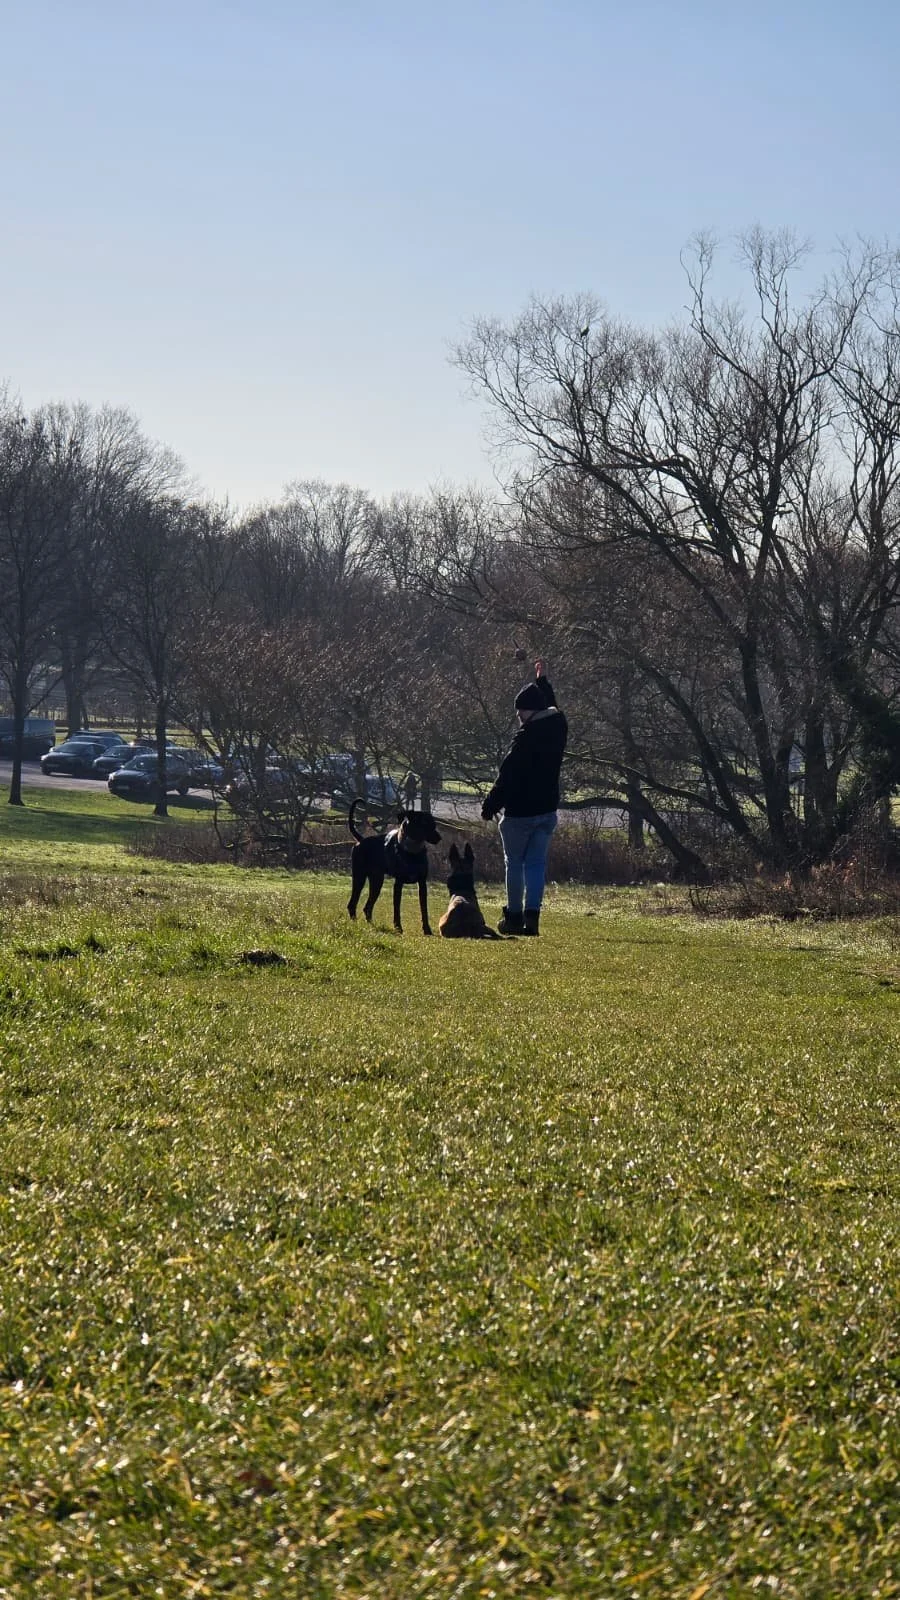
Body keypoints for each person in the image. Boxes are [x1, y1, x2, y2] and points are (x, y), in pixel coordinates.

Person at [481, 659, 567, 936]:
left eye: (521, 712)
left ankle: (514, 916)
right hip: (546, 810)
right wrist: (542, 682)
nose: (519, 717)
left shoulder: (525, 740)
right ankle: (533, 917)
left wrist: (489, 806)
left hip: (519, 813)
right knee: (536, 864)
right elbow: (552, 707)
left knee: (514, 863)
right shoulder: (558, 728)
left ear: (530, 712)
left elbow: (507, 777)